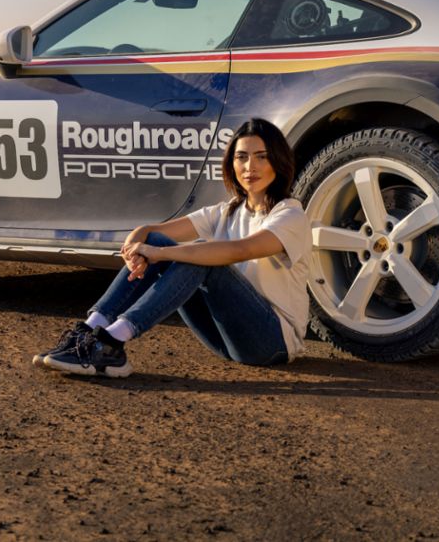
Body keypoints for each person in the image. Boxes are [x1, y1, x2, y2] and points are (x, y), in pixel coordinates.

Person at [36, 118, 311, 378]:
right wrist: (137, 242)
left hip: (272, 342)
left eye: (261, 156)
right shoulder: (228, 211)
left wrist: (162, 254)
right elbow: (156, 233)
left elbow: (239, 250)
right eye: (242, 157)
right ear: (231, 163)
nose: (250, 166)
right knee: (157, 243)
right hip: (226, 339)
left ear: (278, 161)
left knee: (201, 255)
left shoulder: (290, 215)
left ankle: (112, 341)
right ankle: (88, 331)